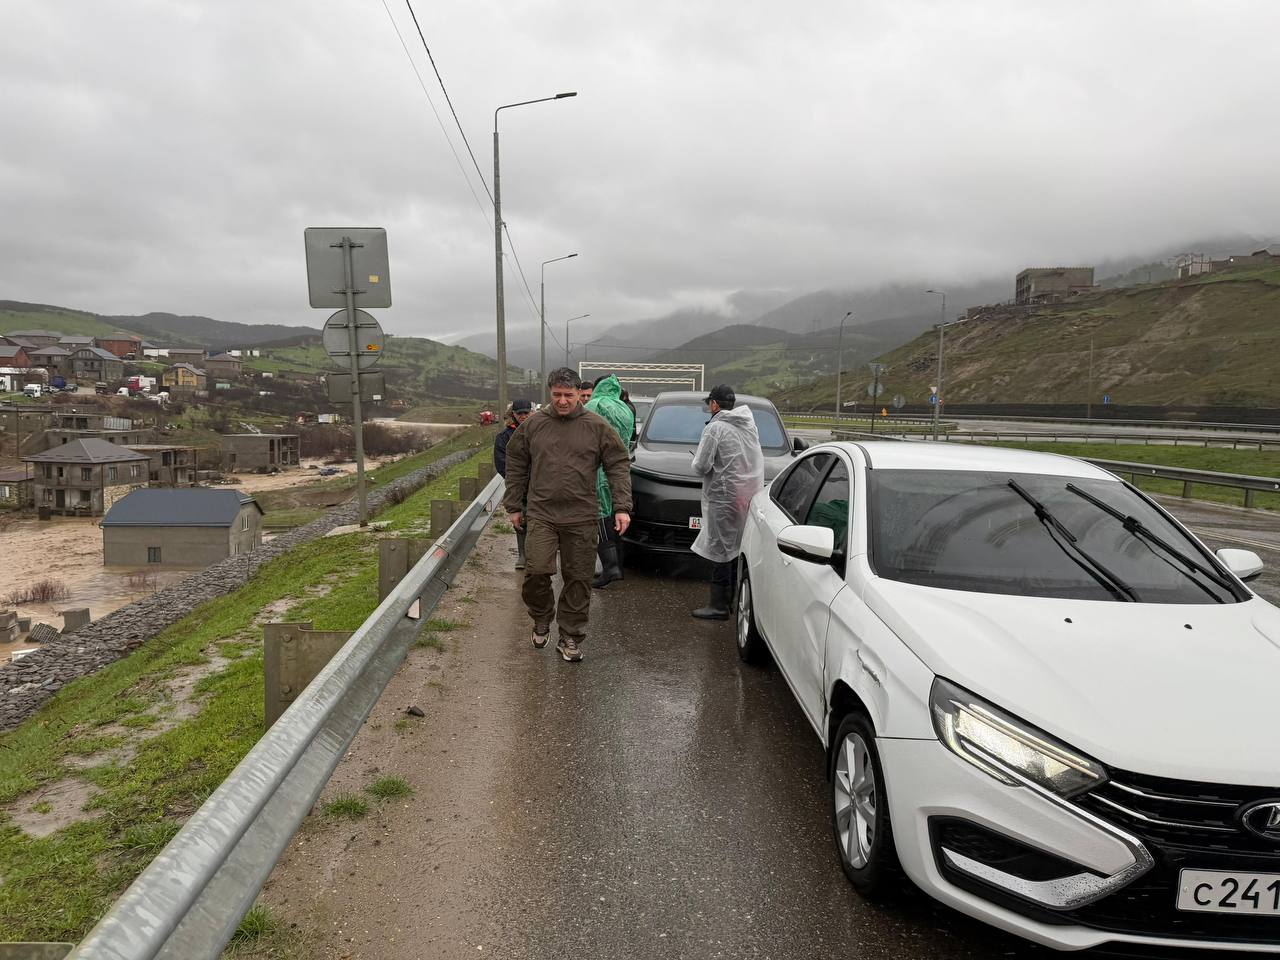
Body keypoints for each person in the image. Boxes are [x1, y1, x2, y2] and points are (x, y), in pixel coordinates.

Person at [503, 367, 632, 662]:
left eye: (568, 395)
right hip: (542, 513)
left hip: (582, 515)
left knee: (578, 578)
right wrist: (513, 505)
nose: (562, 401)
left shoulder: (596, 426)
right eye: (557, 395)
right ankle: (541, 617)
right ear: (550, 393)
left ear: (579, 395)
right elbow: (516, 459)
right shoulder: (534, 425)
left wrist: (622, 506)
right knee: (536, 571)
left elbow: (618, 463)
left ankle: (570, 636)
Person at [689, 384, 764, 620]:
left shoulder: (716, 428)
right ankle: (733, 599)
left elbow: (701, 466)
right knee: (736, 548)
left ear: (714, 404)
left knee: (720, 548)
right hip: (747, 494)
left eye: (708, 404)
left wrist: (698, 462)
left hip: (723, 497)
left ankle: (718, 605)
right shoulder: (748, 424)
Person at [583, 374, 635, 589]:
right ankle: (616, 567)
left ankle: (610, 567)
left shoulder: (596, 405)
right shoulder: (624, 408)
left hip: (598, 467)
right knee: (616, 516)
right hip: (618, 465)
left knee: (601, 515)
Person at [493, 399, 533, 568]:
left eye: (526, 413)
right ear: (513, 414)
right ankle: (523, 555)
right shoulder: (504, 437)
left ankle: (538, 553)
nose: (523, 416)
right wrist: (516, 480)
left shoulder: (540, 430)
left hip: (540, 483)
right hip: (518, 485)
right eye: (520, 413)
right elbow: (501, 462)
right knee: (520, 519)